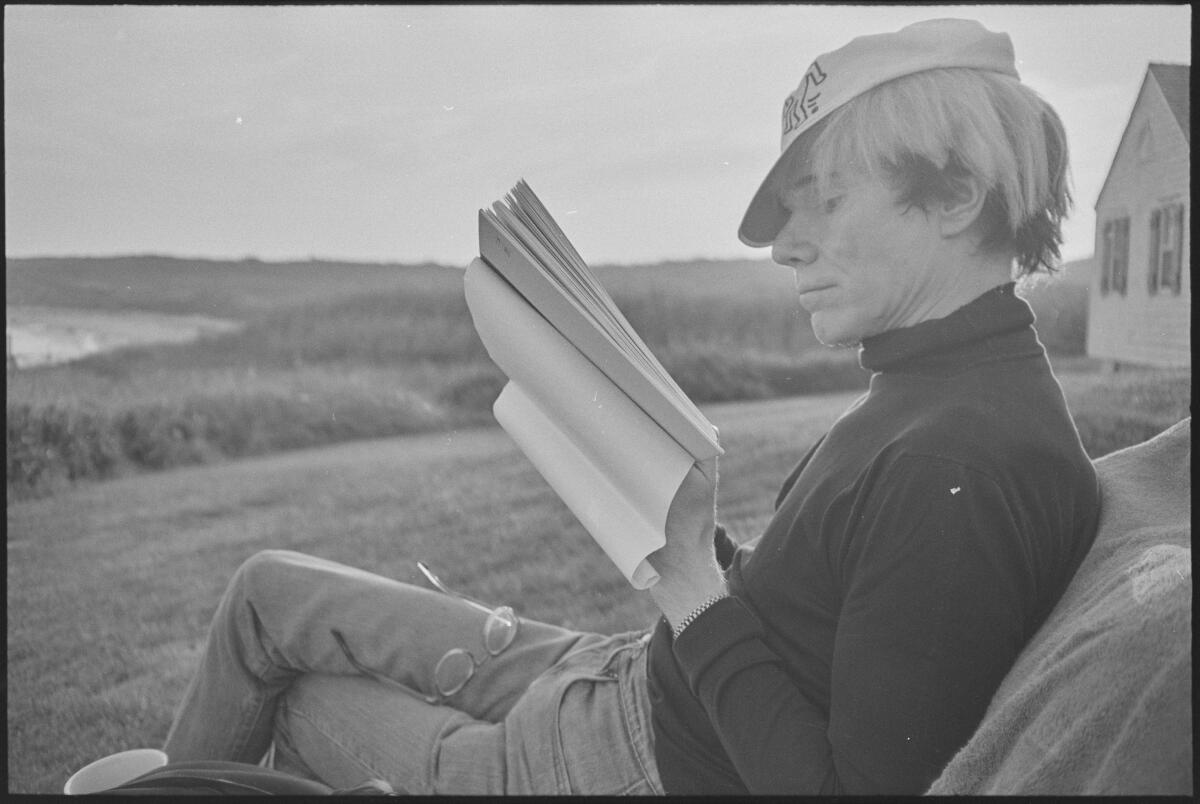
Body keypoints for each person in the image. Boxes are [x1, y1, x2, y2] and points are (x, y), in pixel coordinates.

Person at [162, 18, 1100, 794]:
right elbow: (826, 615)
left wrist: (692, 585)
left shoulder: (960, 465)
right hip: (622, 674)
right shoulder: (938, 389)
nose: (786, 247)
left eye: (828, 198)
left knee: (292, 698)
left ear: (956, 195)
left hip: (625, 760)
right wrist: (702, 543)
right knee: (265, 591)